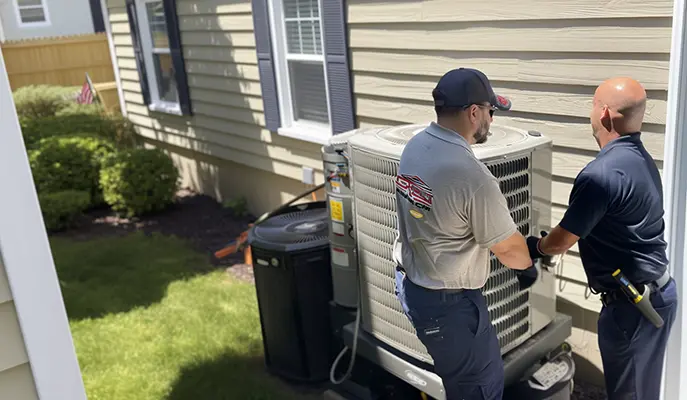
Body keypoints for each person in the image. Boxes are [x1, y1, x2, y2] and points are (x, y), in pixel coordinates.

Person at [526, 77, 678, 400]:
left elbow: (560, 241)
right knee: (642, 390)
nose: (590, 113)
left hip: (631, 309)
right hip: (659, 294)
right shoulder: (641, 160)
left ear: (605, 114)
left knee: (629, 394)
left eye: (593, 105)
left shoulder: (600, 175)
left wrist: (537, 247)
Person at [392, 67, 539, 400]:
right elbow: (509, 250)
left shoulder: (416, 147)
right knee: (479, 388)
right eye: (490, 111)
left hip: (414, 286)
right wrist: (528, 260)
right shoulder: (470, 176)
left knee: (459, 381)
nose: (492, 119)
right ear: (474, 112)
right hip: (449, 306)